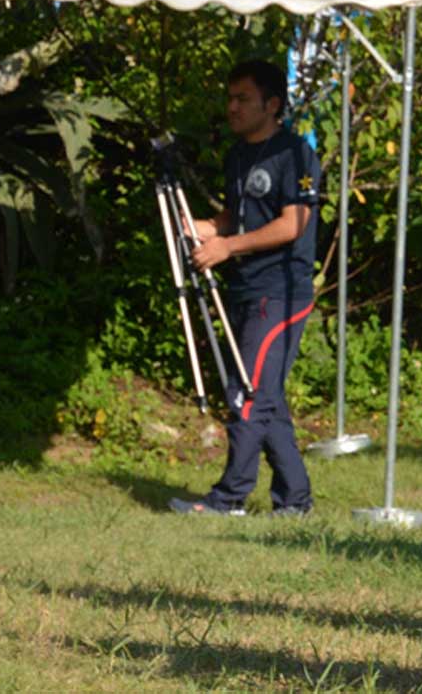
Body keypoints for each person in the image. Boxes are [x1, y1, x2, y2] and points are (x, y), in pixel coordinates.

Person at [168, 59, 320, 517]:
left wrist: (228, 247)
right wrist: (202, 228)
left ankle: (229, 498)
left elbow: (294, 222)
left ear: (272, 104)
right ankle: (295, 502)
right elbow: (238, 217)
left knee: (247, 392)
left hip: (283, 291)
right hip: (246, 290)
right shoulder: (238, 156)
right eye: (230, 98)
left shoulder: (296, 154)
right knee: (266, 398)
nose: (232, 108)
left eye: (243, 99)